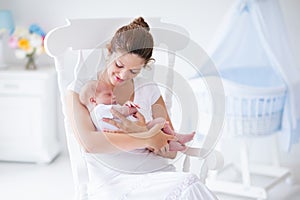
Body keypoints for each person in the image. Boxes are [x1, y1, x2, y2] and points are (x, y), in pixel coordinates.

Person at [66, 17, 217, 199]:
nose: (123, 75)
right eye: (119, 65)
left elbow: (169, 149)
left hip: (158, 174)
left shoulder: (149, 89)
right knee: (189, 185)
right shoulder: (81, 90)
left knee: (189, 185)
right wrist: (147, 138)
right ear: (109, 53)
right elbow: (90, 143)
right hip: (115, 181)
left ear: (144, 67)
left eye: (133, 71)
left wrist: (154, 138)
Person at [79, 79, 195, 152]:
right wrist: (131, 108)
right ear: (93, 100)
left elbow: (118, 113)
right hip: (134, 134)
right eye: (108, 94)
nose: (113, 97)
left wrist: (125, 106)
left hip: (133, 133)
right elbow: (122, 111)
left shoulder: (97, 113)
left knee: (159, 124)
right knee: (160, 122)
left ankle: (172, 140)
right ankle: (174, 138)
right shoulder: (99, 109)